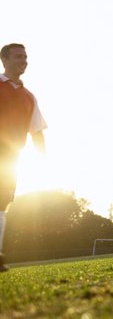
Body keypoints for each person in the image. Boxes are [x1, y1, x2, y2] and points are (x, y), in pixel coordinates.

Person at [0, 44, 47, 272]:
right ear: (4, 60)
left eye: (26, 57)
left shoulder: (29, 97)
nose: (24, 60)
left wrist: (42, 158)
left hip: (12, 157)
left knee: (2, 204)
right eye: (19, 56)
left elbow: (36, 130)